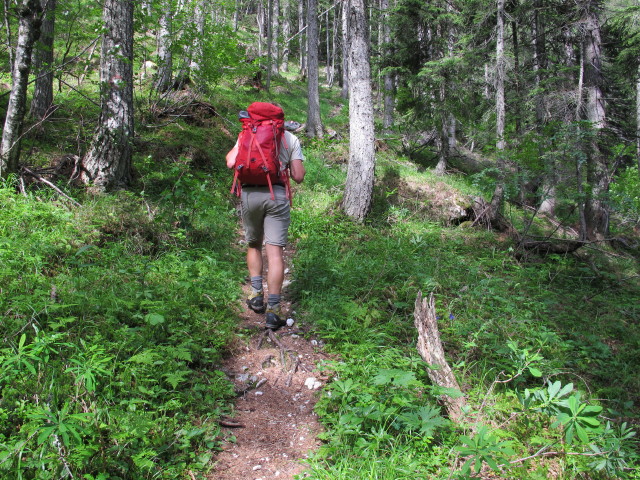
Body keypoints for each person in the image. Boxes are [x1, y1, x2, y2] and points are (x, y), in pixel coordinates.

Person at [225, 114, 305, 329]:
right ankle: (273, 309)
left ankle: (256, 294)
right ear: (280, 121)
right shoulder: (289, 139)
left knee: (253, 244)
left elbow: (231, 161)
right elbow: (298, 176)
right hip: (276, 196)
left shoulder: (246, 134)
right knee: (275, 252)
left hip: (250, 195)